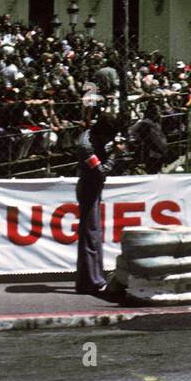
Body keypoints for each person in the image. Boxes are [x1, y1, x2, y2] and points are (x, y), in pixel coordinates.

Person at [72, 113, 126, 296]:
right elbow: (101, 172)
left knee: (93, 234)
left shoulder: (93, 136)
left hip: (92, 186)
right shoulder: (86, 146)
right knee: (90, 236)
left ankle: (89, 280)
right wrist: (115, 155)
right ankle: (91, 282)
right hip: (89, 187)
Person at [129, 100, 169, 174]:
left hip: (159, 152)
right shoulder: (145, 124)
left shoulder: (156, 123)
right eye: (158, 111)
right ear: (152, 113)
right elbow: (132, 132)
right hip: (151, 153)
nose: (160, 113)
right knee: (153, 172)